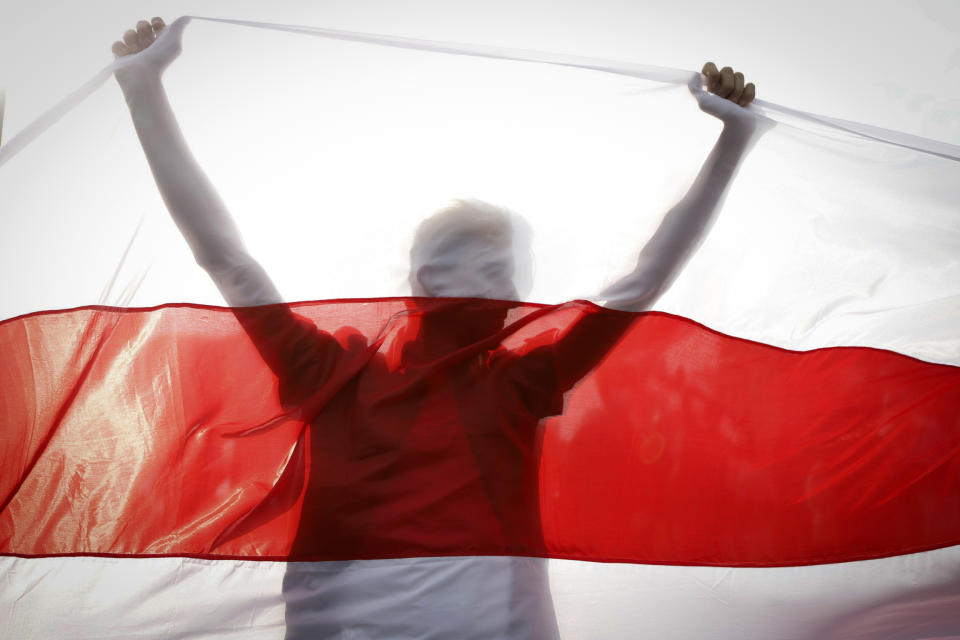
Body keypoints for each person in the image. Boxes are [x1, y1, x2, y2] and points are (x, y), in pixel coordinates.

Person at [113, 16, 763, 639]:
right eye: (486, 268)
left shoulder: (521, 383)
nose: (509, 290)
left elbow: (641, 282)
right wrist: (143, 90)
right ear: (426, 281)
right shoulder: (331, 375)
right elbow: (227, 260)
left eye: (512, 272)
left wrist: (731, 143)